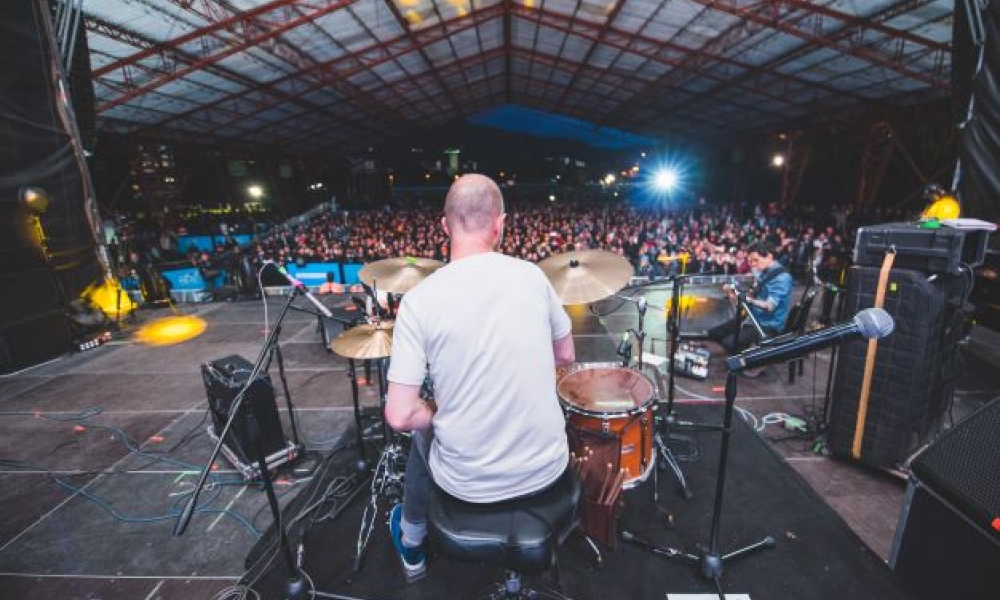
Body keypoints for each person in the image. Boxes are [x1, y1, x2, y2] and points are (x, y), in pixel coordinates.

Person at [384, 174, 576, 581]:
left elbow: (399, 416)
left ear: (444, 226)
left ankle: (413, 544)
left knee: (422, 434)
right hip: (548, 472)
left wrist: (436, 408)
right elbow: (566, 356)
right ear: (499, 224)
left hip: (468, 488)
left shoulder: (418, 302)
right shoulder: (533, 277)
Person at [709, 241, 793, 362]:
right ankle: (740, 349)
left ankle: (750, 359)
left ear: (769, 256)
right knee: (714, 333)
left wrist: (748, 299)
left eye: (756, 260)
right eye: (750, 261)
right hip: (754, 317)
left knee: (728, 343)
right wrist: (733, 291)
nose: (753, 264)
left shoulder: (782, 278)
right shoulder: (765, 271)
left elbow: (770, 306)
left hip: (767, 325)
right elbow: (752, 286)